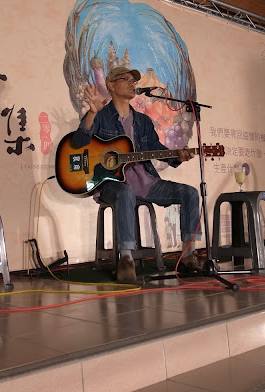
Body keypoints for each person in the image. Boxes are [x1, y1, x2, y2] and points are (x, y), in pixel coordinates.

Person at [72, 66, 203, 282]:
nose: (132, 84)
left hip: (146, 182)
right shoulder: (101, 115)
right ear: (111, 85)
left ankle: (188, 255)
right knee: (125, 193)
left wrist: (176, 156)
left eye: (134, 81)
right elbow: (78, 143)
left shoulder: (143, 121)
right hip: (111, 184)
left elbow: (156, 148)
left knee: (189, 193)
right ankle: (126, 259)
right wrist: (93, 112)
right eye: (126, 79)